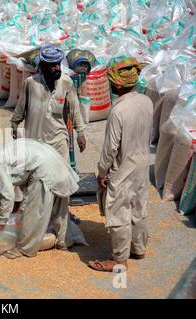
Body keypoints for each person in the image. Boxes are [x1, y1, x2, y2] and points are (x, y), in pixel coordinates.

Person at [10, 43, 87, 249]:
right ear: (42, 66)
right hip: (35, 145)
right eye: (51, 65)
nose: (56, 68)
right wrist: (14, 124)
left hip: (58, 143)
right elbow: (20, 107)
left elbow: (74, 109)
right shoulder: (30, 84)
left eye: (57, 65)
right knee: (36, 189)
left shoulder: (66, 83)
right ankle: (37, 230)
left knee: (61, 189)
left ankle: (62, 238)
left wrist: (80, 132)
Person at [88, 56, 152, 272]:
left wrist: (102, 172)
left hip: (123, 168)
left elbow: (110, 149)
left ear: (116, 83)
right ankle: (139, 249)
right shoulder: (146, 101)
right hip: (142, 164)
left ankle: (119, 261)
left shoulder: (118, 111)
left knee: (118, 213)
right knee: (139, 207)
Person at [0, 138, 79, 259]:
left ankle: (25, 249)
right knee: (59, 208)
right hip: (52, 161)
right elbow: (6, 184)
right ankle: (64, 242)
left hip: (42, 171)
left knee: (33, 213)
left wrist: (1, 221)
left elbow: (8, 195)